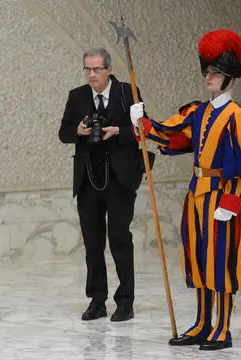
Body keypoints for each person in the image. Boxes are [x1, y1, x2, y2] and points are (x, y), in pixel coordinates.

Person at [129, 29, 241, 351]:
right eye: (207, 69)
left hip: (221, 197)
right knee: (199, 261)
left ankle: (223, 328)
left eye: (215, 71)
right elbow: (173, 136)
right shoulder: (198, 112)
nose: (208, 76)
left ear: (229, 76)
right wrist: (142, 124)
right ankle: (203, 322)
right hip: (196, 196)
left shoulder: (238, 116)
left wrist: (232, 201)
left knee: (221, 263)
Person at [58, 47, 144, 322]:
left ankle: (125, 302)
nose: (91, 74)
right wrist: (79, 131)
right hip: (88, 180)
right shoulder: (77, 96)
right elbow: (63, 132)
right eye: (87, 69)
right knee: (93, 243)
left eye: (96, 69)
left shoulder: (127, 92)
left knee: (120, 240)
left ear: (109, 69)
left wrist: (118, 131)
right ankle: (97, 300)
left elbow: (144, 128)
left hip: (119, 179)